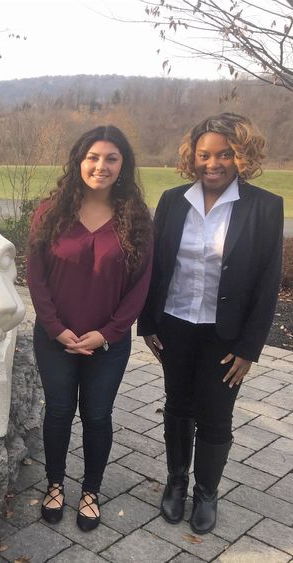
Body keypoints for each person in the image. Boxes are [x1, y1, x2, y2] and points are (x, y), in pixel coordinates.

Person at [138, 113, 283, 535]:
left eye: (224, 154)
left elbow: (267, 281)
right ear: (192, 157)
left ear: (241, 156)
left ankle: (206, 492)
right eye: (204, 155)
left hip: (226, 335)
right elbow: (155, 267)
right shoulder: (171, 200)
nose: (213, 163)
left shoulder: (264, 207)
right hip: (175, 325)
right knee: (178, 405)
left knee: (217, 415)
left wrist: (250, 348)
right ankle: (176, 482)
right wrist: (148, 321)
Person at [26, 125, 153, 532]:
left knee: (98, 416)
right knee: (59, 413)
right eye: (93, 157)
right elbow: (36, 276)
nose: (101, 166)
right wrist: (55, 327)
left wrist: (109, 333)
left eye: (111, 158)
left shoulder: (136, 219)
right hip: (54, 340)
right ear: (79, 161)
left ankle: (92, 491)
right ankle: (55, 484)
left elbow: (140, 287)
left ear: (123, 165)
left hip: (107, 344)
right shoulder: (50, 212)